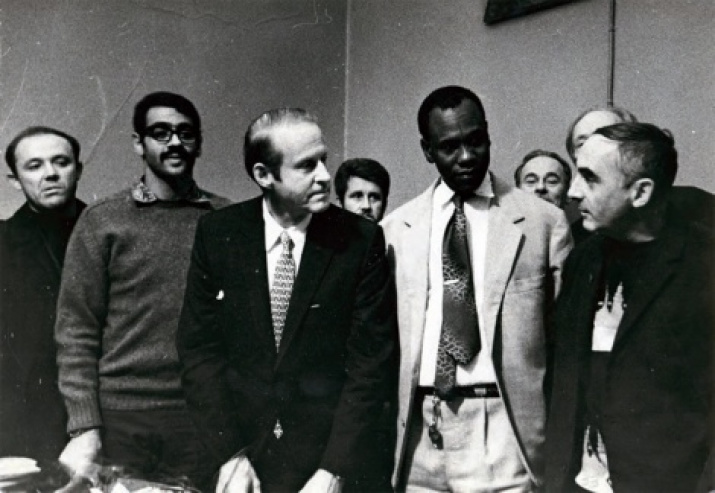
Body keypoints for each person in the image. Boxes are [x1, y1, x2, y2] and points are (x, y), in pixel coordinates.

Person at [177, 108, 396, 492]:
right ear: (264, 175)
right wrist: (231, 456)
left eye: (324, 160)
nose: (326, 176)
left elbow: (370, 367)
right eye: (307, 166)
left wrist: (333, 470)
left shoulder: (359, 241)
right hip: (242, 462)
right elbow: (199, 354)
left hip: (329, 465)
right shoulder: (218, 234)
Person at [381, 85, 572, 491]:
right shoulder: (396, 230)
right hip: (420, 431)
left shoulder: (543, 223)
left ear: (488, 134)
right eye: (449, 147)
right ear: (427, 150)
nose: (466, 157)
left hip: (503, 428)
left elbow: (564, 346)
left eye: (475, 141)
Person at [54, 92, 230, 490]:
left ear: (198, 143)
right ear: (139, 143)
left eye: (185, 134)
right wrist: (84, 425)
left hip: (199, 418)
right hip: (122, 420)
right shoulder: (102, 222)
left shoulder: (226, 221)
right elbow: (76, 331)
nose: (174, 143)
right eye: (160, 133)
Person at [545, 123, 714, 492]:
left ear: (640, 192)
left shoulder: (703, 265)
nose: (573, 192)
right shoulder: (583, 259)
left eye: (590, 178)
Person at [0, 127, 85, 462]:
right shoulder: (3, 243)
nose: (50, 174)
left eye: (61, 162)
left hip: (111, 416)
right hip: (24, 425)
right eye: (34, 166)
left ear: (78, 169)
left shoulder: (112, 233)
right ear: (14, 180)